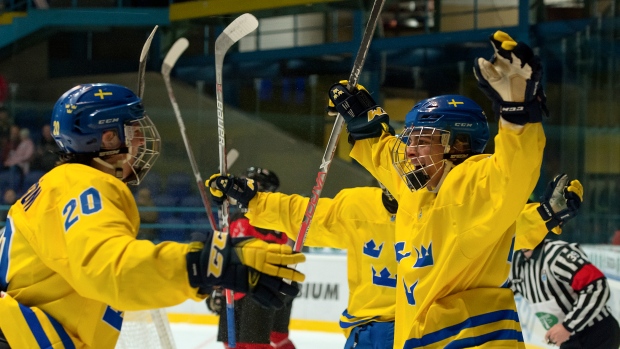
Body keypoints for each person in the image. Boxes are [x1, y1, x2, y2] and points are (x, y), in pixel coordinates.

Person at [0, 83, 305, 349]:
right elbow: (110, 268)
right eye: (133, 130)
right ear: (107, 138)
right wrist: (206, 265)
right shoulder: (85, 183)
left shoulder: (57, 185)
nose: (142, 141)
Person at [325, 30, 547, 348]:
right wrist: (361, 118)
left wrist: (516, 114)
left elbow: (514, 172)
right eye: (410, 139)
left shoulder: (471, 186)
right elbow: (386, 153)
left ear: (458, 143)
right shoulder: (418, 188)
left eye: (423, 140)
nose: (410, 151)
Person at [208, 173, 570, 349]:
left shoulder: (444, 208)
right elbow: (306, 214)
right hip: (375, 332)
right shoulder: (359, 206)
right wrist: (255, 201)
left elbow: (499, 224)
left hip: (430, 331)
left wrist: (545, 214)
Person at [510, 175, 620, 348]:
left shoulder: (557, 253)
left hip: (597, 334)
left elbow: (596, 285)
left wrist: (568, 326)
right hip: (570, 340)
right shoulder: (517, 262)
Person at [208, 167, 298, 349]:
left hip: (260, 286)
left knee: (255, 344)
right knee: (233, 342)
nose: (241, 189)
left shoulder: (267, 219)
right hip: (239, 286)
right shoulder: (236, 216)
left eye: (249, 183)